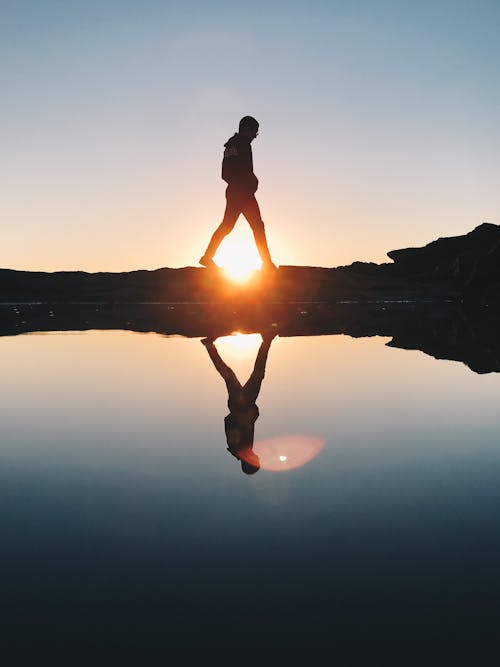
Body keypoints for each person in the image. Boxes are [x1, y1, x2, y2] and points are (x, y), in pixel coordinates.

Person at [199, 116, 278, 272]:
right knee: (257, 226)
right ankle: (267, 263)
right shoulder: (242, 145)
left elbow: (226, 174)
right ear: (247, 129)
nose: (256, 135)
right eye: (255, 131)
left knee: (228, 226)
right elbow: (232, 172)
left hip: (236, 192)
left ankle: (207, 257)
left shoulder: (232, 146)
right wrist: (250, 183)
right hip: (243, 194)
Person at [201, 331, 276, 474]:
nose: (258, 457)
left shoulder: (238, 448)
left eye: (257, 461)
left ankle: (266, 340)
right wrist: (254, 415)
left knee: (245, 375)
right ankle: (266, 340)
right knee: (242, 375)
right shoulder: (245, 449)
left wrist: (243, 415)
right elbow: (246, 424)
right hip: (244, 405)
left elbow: (229, 421)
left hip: (240, 405)